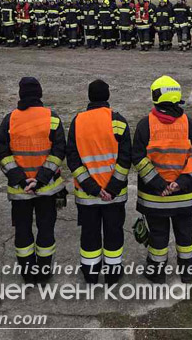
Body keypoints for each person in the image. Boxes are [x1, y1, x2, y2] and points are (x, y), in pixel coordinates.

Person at [132, 76, 192, 283]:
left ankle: (156, 273)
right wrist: (181, 182)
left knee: (157, 237)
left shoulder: (144, 125)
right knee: (186, 237)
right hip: (184, 197)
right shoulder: (189, 125)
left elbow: (138, 158)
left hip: (155, 197)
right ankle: (188, 272)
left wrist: (159, 184)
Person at [0, 77, 66, 283]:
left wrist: (21, 180)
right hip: (47, 189)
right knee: (46, 229)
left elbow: (2, 154)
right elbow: (58, 151)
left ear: (20, 94)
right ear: (40, 94)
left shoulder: (10, 120)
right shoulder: (52, 118)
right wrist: (41, 179)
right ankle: (44, 272)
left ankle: (27, 273)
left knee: (23, 230)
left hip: (20, 191)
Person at [66, 80, 131, 285]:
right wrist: (111, 188)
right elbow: (125, 159)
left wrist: (92, 188)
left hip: (87, 196)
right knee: (114, 233)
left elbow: (73, 159)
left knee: (89, 234)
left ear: (89, 97)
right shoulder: (118, 121)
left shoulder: (78, 121)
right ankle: (113, 275)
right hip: (115, 195)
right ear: (107, 97)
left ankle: (90, 274)